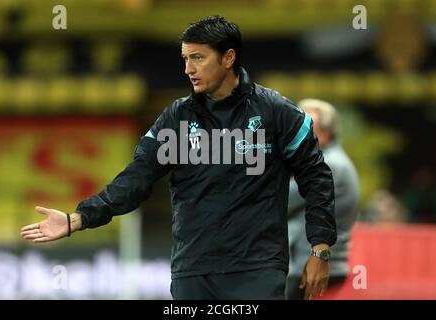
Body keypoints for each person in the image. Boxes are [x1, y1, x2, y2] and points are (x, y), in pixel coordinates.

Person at [21, 16, 336, 300]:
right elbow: (137, 177)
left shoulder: (277, 112)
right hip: (192, 270)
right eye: (186, 59)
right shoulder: (177, 118)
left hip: (256, 269)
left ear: (229, 58)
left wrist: (320, 249)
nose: (188, 69)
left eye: (198, 58)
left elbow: (316, 177)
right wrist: (78, 218)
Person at [286, 99, 359, 300]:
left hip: (310, 264)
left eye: (305, 128)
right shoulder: (337, 160)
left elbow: (281, 201)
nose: (295, 133)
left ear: (326, 133)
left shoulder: (327, 164)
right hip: (318, 262)